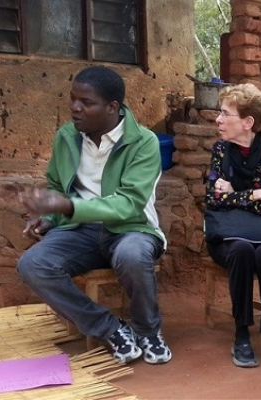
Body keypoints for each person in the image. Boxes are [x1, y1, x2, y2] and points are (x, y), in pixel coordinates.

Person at [17, 66, 171, 365]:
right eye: (73, 99)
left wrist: (66, 207)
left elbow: (129, 204)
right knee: (32, 264)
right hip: (79, 230)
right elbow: (57, 185)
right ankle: (111, 329)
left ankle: (148, 331)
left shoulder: (143, 142)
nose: (75, 108)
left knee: (132, 254)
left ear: (112, 107)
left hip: (130, 228)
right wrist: (51, 219)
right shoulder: (66, 136)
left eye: (86, 103)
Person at [204, 83, 261, 368]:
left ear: (247, 122)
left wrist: (232, 193)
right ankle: (242, 333)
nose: (218, 120)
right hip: (225, 238)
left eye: (225, 114)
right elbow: (211, 199)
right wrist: (254, 194)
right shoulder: (221, 151)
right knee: (243, 250)